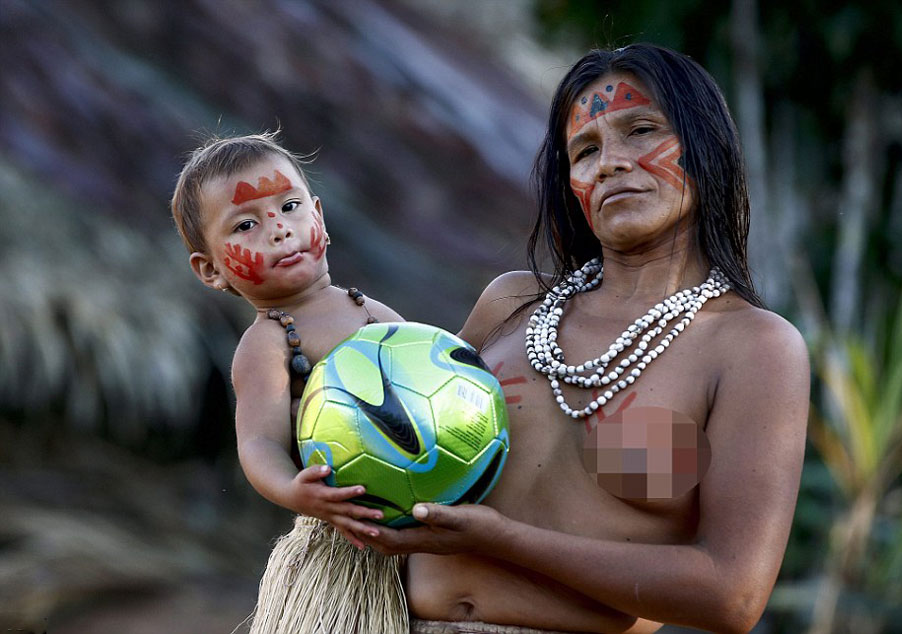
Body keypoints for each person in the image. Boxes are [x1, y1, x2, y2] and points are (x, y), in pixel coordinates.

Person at [366, 43, 811, 634]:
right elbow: (397, 447)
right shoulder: (512, 305)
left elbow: (732, 596)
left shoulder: (752, 348)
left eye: (642, 130)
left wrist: (505, 542)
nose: (610, 163)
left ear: (706, 148)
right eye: (586, 150)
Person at [170, 133, 403, 549]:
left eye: (290, 207)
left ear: (320, 217)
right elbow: (259, 443)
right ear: (210, 270)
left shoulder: (370, 310)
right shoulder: (267, 344)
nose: (279, 229)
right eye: (246, 225)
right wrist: (296, 491)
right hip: (349, 528)